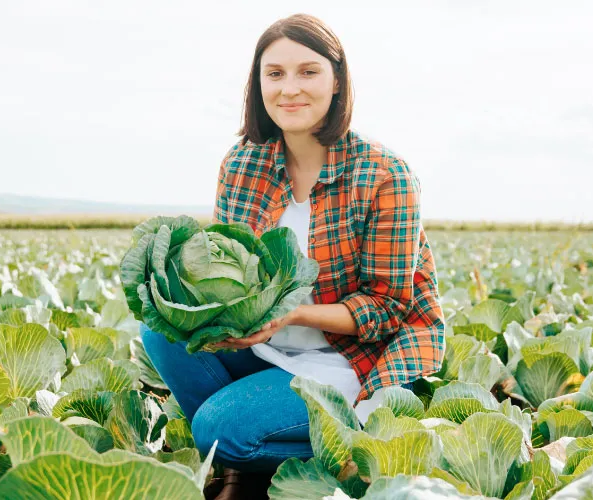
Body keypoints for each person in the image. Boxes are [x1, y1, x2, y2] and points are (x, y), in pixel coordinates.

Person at [139, 12, 446, 498]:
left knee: (219, 428)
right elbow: (227, 260)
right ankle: (243, 457)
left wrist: (291, 314)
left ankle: (350, 449)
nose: (290, 89)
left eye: (308, 72)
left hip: (350, 359)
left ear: (338, 81)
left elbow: (389, 309)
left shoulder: (385, 174)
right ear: (258, 84)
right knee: (159, 331)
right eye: (275, 74)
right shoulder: (242, 163)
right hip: (264, 348)